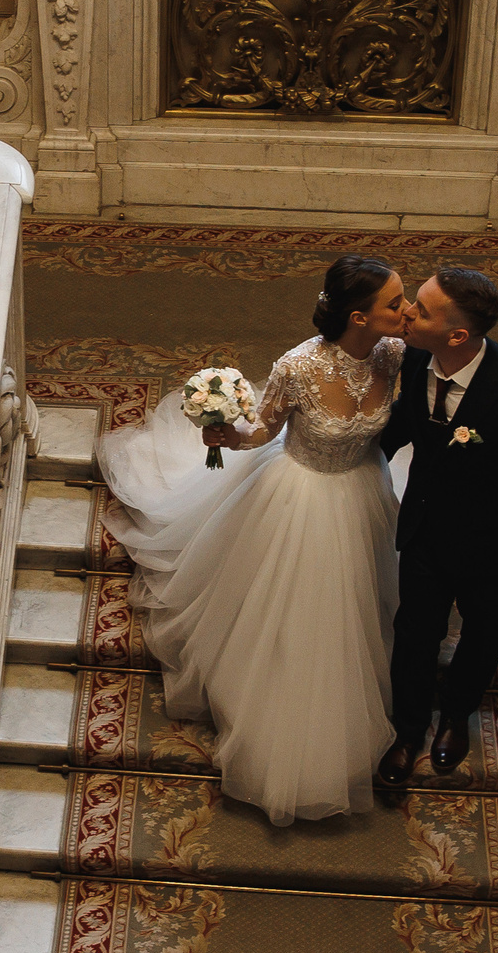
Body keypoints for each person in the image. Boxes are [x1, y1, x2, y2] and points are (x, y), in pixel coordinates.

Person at [93, 256, 412, 825]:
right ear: (359, 318)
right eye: (396, 303)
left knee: (361, 599)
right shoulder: (297, 367)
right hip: (301, 494)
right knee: (295, 610)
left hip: (363, 488)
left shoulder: (394, 352)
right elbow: (263, 430)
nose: (407, 310)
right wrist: (225, 432)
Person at [374, 267, 498, 786]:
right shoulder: (417, 357)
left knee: (482, 638)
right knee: (414, 634)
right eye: (413, 301)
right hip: (425, 532)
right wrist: (354, 459)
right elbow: (406, 422)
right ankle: (408, 729)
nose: (407, 313)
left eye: (421, 309)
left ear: (458, 334)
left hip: (494, 549)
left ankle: (457, 717)